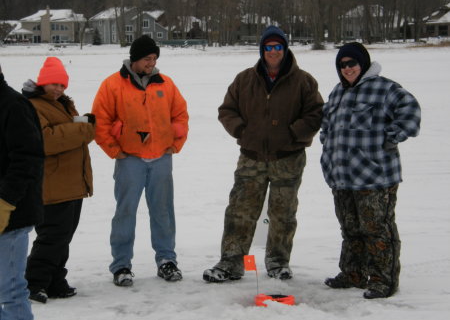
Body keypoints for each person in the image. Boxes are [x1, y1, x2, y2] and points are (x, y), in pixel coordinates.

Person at [203, 26, 324, 283]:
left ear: (285, 49)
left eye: (277, 47)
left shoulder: (304, 81)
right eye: (268, 47)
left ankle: (278, 262)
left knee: (283, 214)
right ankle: (231, 263)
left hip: (288, 159)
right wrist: (242, 131)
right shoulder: (244, 79)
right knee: (240, 211)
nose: (272, 52)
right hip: (251, 157)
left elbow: (315, 114)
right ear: (262, 50)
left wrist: (293, 134)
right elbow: (227, 110)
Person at [320, 42, 421, 299]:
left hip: (374, 177)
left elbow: (411, 111)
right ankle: (353, 274)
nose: (347, 69)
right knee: (350, 230)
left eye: (351, 63)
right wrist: (327, 142)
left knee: (377, 230)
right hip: (342, 177)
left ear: (362, 64)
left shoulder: (384, 88)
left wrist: (392, 137)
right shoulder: (338, 92)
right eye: (342, 65)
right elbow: (327, 124)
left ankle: (382, 280)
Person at [91, 35, 189, 286]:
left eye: (154, 58)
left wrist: (174, 145)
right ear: (134, 60)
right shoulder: (112, 85)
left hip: (161, 159)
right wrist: (115, 151)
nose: (152, 62)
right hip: (130, 160)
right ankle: (121, 265)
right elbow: (100, 122)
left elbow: (180, 115)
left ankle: (167, 260)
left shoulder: (166, 84)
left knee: (163, 211)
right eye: (147, 58)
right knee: (125, 212)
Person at [23, 57, 95, 303]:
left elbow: (73, 135)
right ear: (42, 83)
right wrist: (84, 129)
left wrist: (84, 125)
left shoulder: (63, 104)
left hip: (73, 182)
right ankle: (34, 283)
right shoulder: (32, 106)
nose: (58, 89)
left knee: (64, 236)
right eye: (54, 84)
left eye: (62, 85)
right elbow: (46, 140)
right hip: (53, 185)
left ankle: (55, 280)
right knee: (52, 236)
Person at [0, 64, 44, 319]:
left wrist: (5, 201)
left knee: (11, 292)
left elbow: (28, 158)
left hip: (12, 215)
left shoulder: (13, 105)